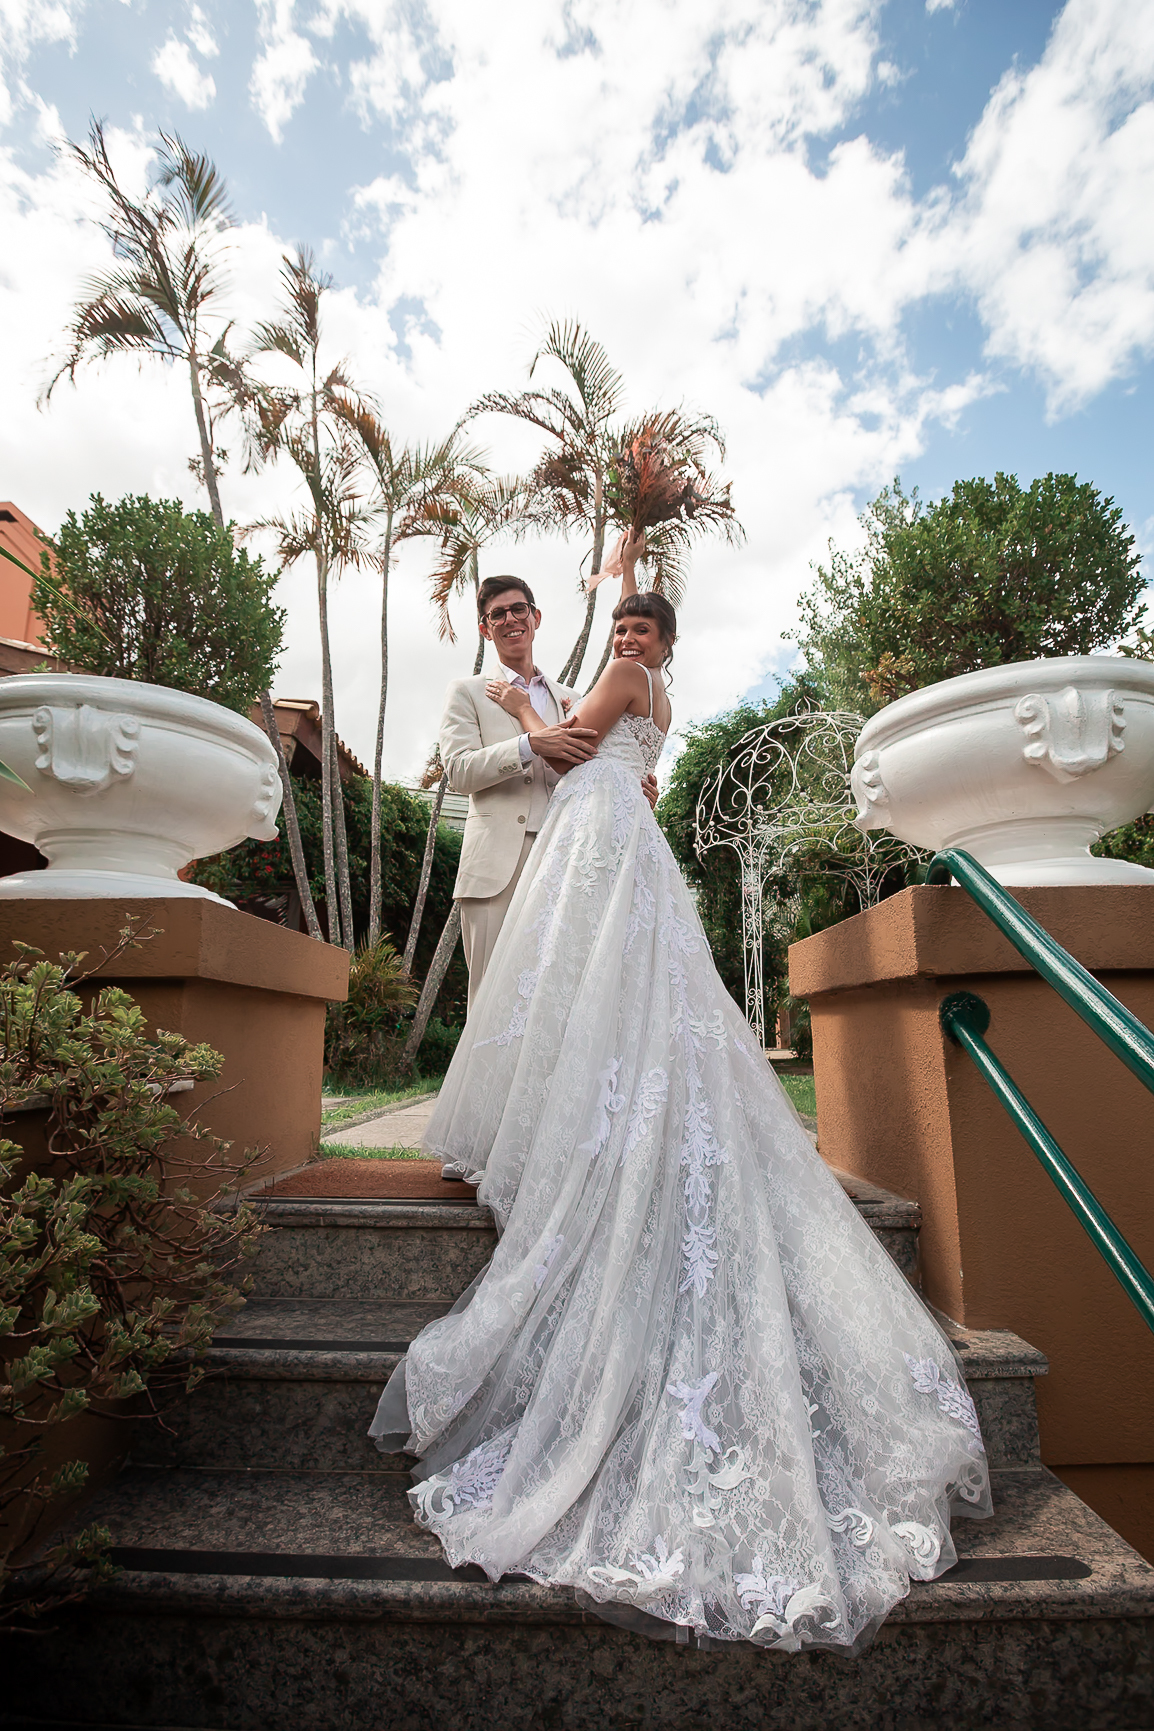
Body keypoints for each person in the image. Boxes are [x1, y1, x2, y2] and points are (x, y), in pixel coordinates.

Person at [370, 552, 992, 1656]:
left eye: (637, 630)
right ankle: (581, 1115)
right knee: (608, 998)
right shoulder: (641, 700)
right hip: (604, 837)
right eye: (619, 631)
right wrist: (537, 720)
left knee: (594, 990)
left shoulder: (603, 686)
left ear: (655, 641)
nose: (624, 642)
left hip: (596, 841)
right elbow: (545, 754)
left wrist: (531, 707)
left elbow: (575, 749)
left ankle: (590, 1128)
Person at [438, 566, 658, 1015]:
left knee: (558, 1004)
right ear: (485, 628)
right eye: (497, 615)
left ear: (536, 617)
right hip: (497, 868)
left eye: (518, 609)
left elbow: (599, 765)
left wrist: (637, 791)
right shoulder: (468, 691)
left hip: (570, 862)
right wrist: (527, 744)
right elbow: (458, 771)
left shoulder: (572, 697)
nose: (509, 620)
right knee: (490, 1006)